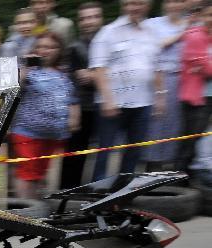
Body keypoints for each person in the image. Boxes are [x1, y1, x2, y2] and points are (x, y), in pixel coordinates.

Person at [90, 0, 166, 180]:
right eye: (130, 3)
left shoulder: (153, 33)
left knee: (134, 151)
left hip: (143, 102)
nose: (134, 7)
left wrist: (160, 97)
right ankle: (97, 192)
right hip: (113, 103)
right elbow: (99, 68)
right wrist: (108, 99)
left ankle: (124, 190)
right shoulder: (108, 32)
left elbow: (157, 67)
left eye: (139, 3)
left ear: (147, 5)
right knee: (105, 151)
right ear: (123, 6)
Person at [9, 31, 81, 200]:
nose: (45, 50)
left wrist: (74, 117)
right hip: (28, 132)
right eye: (41, 46)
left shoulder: (63, 74)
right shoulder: (28, 71)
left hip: (53, 134)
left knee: (39, 173)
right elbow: (14, 86)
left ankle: (34, 206)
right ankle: (25, 210)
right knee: (27, 172)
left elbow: (71, 98)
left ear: (59, 50)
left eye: (50, 47)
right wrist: (26, 66)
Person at [60, 2, 104, 188]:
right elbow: (71, 80)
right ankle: (68, 191)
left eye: (93, 17)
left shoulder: (108, 43)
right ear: (79, 22)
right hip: (83, 107)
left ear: (100, 19)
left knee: (103, 154)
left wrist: (93, 75)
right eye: (85, 18)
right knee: (75, 154)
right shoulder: (74, 48)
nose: (89, 21)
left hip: (105, 105)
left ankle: (96, 189)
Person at [145, 0, 189, 169]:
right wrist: (181, 34)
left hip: (185, 81)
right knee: (157, 123)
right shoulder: (152, 23)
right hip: (159, 78)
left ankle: (172, 169)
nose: (175, 5)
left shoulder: (192, 23)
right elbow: (155, 46)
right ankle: (152, 167)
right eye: (171, 1)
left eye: (179, 2)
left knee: (177, 126)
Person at [176, 0, 212, 172]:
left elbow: (205, 66)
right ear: (201, 16)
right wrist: (204, 65)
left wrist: (204, 65)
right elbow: (207, 69)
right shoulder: (195, 36)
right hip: (197, 99)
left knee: (202, 143)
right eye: (209, 14)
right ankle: (179, 183)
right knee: (190, 143)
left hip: (208, 96)